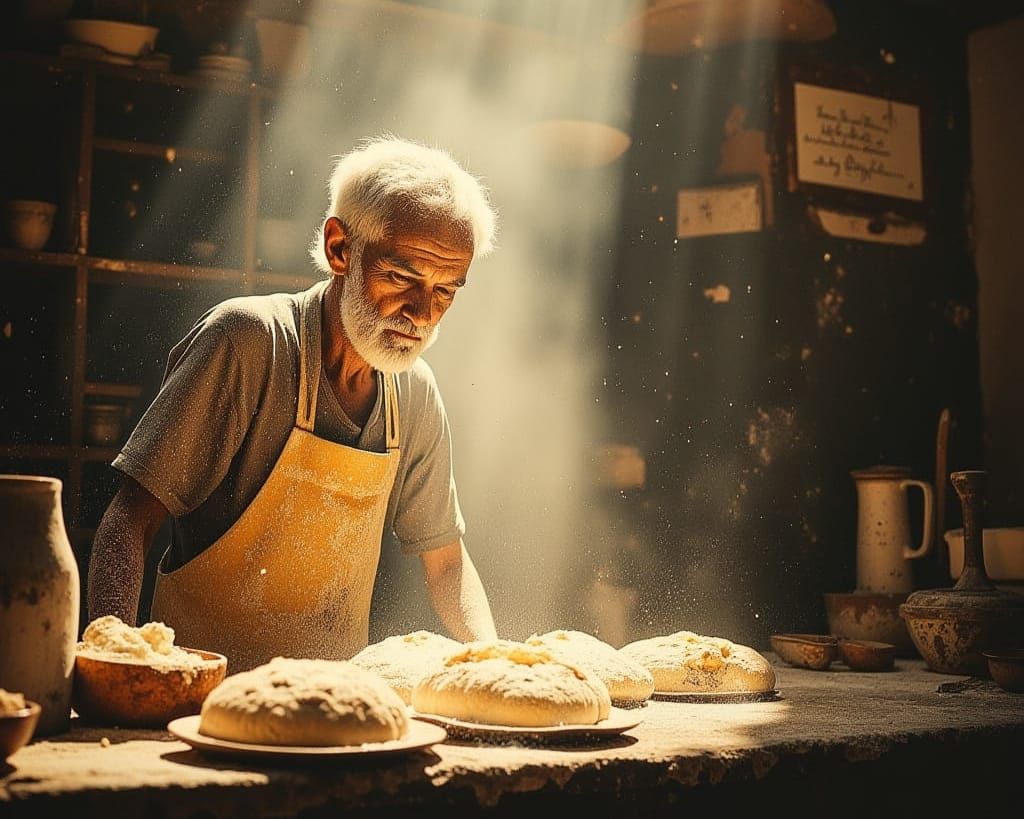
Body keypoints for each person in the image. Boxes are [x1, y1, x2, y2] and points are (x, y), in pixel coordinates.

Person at [87, 136, 499, 672]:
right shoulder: (249, 341)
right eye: (402, 277)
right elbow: (128, 522)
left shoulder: (414, 393)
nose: (421, 313)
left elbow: (445, 564)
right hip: (200, 699)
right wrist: (113, 663)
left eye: (446, 290)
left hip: (330, 704)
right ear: (340, 249)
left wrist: (493, 658)